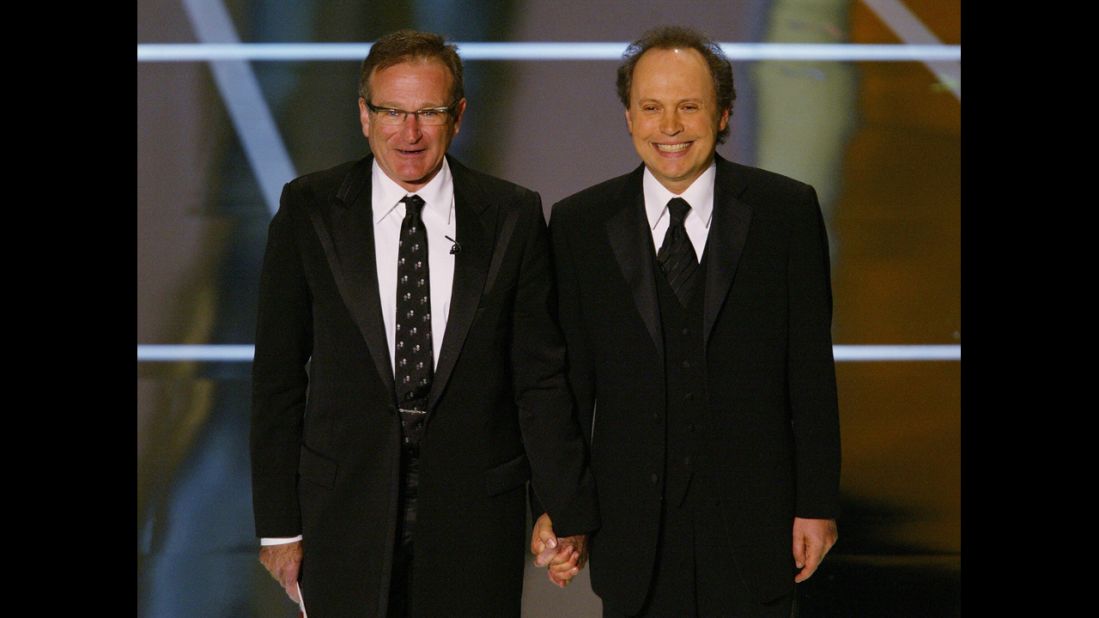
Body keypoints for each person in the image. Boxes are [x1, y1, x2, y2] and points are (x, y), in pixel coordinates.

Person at [250, 29, 598, 617]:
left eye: (428, 112)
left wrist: (564, 506)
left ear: (457, 116)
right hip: (343, 510)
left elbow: (538, 377)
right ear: (365, 115)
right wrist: (278, 527)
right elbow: (279, 378)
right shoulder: (309, 209)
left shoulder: (511, 215)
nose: (409, 133)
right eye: (392, 111)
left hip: (475, 514)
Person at [533, 25, 841, 616]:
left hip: (758, 529)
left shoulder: (786, 212)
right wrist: (562, 506)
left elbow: (810, 371)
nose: (669, 127)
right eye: (651, 108)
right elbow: (567, 389)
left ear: (723, 114)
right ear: (628, 116)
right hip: (630, 537)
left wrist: (817, 502)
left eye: (688, 107)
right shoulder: (578, 225)